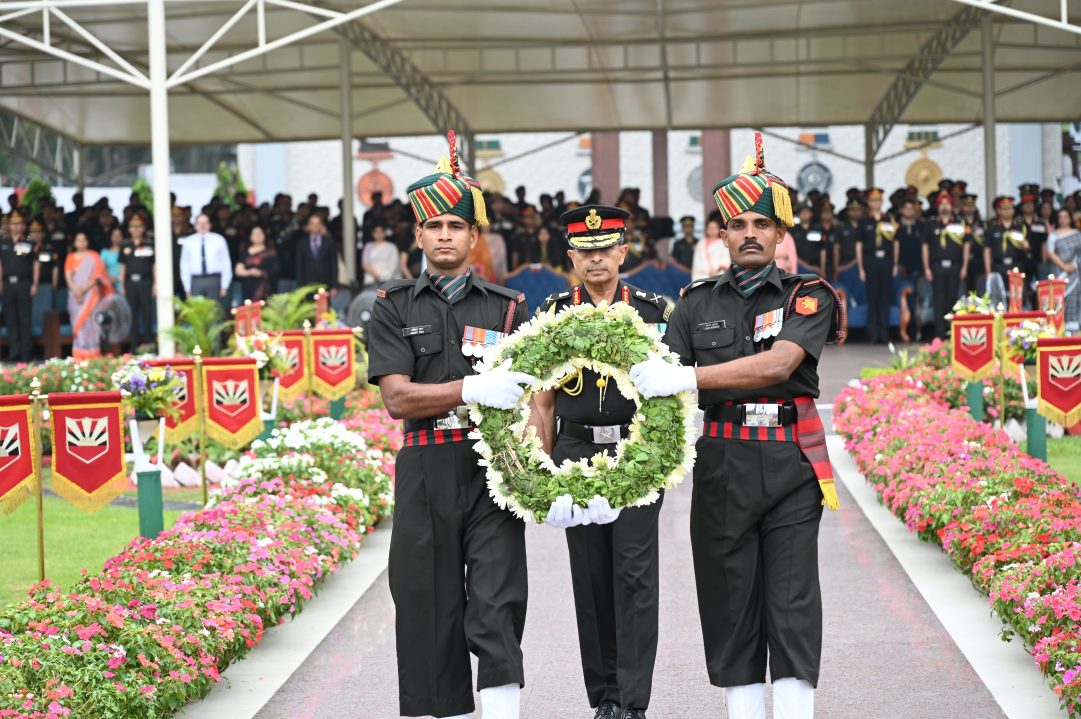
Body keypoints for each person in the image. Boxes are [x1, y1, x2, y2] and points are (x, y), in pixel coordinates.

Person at [629, 133, 844, 719]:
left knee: (793, 598)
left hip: (789, 463)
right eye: (736, 223)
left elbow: (780, 364)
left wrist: (691, 379)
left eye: (761, 223)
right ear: (720, 235)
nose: (750, 232)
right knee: (730, 601)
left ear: (781, 234)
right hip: (722, 465)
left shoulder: (809, 296)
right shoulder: (694, 303)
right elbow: (658, 383)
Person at [367, 137, 534, 719]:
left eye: (455, 226)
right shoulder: (390, 305)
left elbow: (536, 396)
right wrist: (468, 388)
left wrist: (543, 469)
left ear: (473, 237)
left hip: (492, 467)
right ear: (417, 235)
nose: (443, 235)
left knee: (497, 601)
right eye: (432, 224)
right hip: (424, 466)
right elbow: (397, 397)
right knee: (425, 606)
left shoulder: (509, 308)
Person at [530, 205, 671, 719]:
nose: (595, 259)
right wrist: (540, 473)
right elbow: (542, 399)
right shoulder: (550, 312)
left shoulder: (655, 312)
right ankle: (605, 699)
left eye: (604, 249)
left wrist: (662, 455)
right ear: (570, 256)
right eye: (584, 252)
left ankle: (633, 701)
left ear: (622, 251)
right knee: (590, 578)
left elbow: (673, 398)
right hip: (575, 453)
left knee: (635, 574)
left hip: (638, 450)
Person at [922, 192, 972, 340]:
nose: (945, 206)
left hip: (955, 266)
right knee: (938, 299)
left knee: (952, 299)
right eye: (942, 203)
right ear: (938, 206)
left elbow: (966, 245)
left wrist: (964, 266)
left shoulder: (960, 223)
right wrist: (926, 268)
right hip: (936, 266)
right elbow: (925, 247)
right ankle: (939, 334)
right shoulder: (930, 224)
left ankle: (951, 332)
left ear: (952, 206)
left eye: (947, 203)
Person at [856, 188, 897, 344]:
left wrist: (894, 264)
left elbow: (895, 244)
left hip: (886, 260)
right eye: (873, 200)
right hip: (870, 261)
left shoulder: (889, 220)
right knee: (872, 297)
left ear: (882, 201)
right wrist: (861, 268)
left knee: (885, 297)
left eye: (878, 200)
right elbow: (859, 246)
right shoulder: (864, 221)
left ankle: (885, 333)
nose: (876, 203)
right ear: (869, 203)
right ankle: (873, 333)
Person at [64, 231, 114, 360]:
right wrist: (76, 291)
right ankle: (79, 355)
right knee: (78, 324)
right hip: (75, 296)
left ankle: (93, 353)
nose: (81, 242)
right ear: (75, 243)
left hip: (91, 295)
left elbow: (97, 277)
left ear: (87, 242)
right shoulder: (70, 257)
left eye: (83, 239)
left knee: (91, 323)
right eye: (78, 240)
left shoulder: (94, 257)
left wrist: (83, 290)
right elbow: (68, 276)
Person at [0, 210, 40, 362]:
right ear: (9, 226)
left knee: (24, 319)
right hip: (7, 284)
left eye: (18, 224)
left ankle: (26, 355)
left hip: (24, 283)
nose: (16, 227)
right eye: (13, 224)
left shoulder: (29, 243)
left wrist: (35, 283)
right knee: (10, 319)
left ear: (23, 226)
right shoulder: (3, 243)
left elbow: (35, 264)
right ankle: (14, 353)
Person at [119, 215, 156, 351]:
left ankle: (149, 343)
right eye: (133, 227)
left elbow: (154, 265)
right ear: (129, 229)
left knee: (147, 313)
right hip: (130, 283)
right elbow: (122, 266)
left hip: (146, 282)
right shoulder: (125, 245)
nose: (136, 229)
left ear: (143, 228)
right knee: (132, 314)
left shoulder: (149, 244)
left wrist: (155, 284)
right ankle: (134, 345)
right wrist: (122, 286)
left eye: (139, 226)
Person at [179, 213, 233, 301]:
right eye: (199, 223)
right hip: (196, 280)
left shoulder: (219, 240)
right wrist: (187, 288)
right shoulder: (188, 241)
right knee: (197, 311)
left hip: (214, 279)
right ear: (195, 225)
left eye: (205, 223)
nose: (202, 225)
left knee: (214, 310)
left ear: (210, 224)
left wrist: (224, 285)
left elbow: (226, 262)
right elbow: (184, 265)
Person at [986, 196, 1029, 302]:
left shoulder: (1020, 227)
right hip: (998, 266)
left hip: (1016, 265)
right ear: (999, 211)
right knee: (999, 297)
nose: (1007, 211)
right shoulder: (992, 227)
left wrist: (1026, 246)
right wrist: (988, 270)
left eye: (1009, 208)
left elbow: (1027, 249)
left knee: (1017, 296)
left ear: (1014, 210)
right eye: (1004, 208)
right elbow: (987, 250)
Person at [1048, 208, 1081, 331]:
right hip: (1061, 273)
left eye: (1066, 216)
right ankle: (1061, 328)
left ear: (1070, 218)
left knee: (1075, 297)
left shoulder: (1077, 234)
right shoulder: (1053, 235)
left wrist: (1075, 265)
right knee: (1059, 300)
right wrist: (1064, 266)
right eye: (1060, 217)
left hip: (1076, 273)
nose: (1063, 219)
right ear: (1057, 219)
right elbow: (1051, 253)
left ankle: (1073, 330)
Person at [295, 213, 339, 296]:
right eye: (312, 224)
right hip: (307, 284)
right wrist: (300, 287)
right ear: (308, 226)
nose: (315, 226)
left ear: (321, 225)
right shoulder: (302, 243)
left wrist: (334, 286)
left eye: (317, 224)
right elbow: (299, 266)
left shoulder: (329, 242)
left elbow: (334, 264)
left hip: (326, 282)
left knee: (324, 307)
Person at [234, 225, 278, 302]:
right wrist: (250, 272)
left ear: (264, 236)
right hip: (248, 288)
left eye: (260, 233)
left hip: (266, 289)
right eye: (254, 233)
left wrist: (261, 273)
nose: (257, 235)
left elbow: (276, 270)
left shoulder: (271, 253)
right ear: (250, 237)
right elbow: (238, 271)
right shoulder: (245, 253)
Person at [101, 226, 125, 290]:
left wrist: (116, 278)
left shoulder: (126, 251)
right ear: (110, 237)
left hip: (123, 285)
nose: (116, 237)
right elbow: (101, 269)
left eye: (118, 235)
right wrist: (108, 279)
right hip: (108, 285)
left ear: (122, 237)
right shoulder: (105, 252)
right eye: (114, 235)